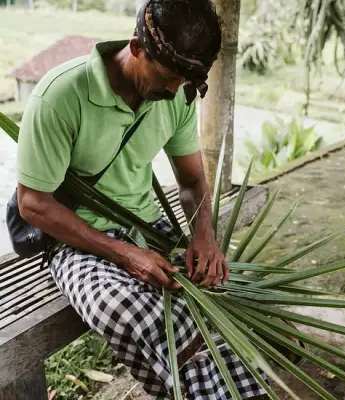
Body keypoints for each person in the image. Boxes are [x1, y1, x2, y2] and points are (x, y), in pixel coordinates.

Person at [16, 0, 267, 398]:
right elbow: (33, 204)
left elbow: (192, 180)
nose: (174, 90)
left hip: (148, 228)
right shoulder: (61, 95)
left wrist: (204, 234)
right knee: (127, 309)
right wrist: (125, 254)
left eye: (184, 81)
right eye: (168, 76)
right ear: (136, 47)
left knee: (225, 298)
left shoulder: (179, 94)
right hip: (75, 240)